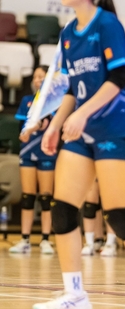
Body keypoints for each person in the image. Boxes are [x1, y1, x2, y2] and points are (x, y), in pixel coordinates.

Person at [35, 0, 125, 309]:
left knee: (118, 214)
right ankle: (75, 293)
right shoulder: (67, 34)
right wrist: (55, 124)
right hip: (81, 130)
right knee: (63, 210)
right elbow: (70, 89)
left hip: (114, 128)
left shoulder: (108, 24)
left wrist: (81, 113)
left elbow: (117, 79)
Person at [10, 66, 56, 255]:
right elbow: (22, 129)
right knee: (27, 197)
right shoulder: (27, 101)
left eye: (42, 77)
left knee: (46, 197)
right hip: (28, 152)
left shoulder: (54, 102)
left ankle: (45, 239)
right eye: (35, 77)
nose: (38, 80)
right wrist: (27, 131)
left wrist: (36, 127)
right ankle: (25, 239)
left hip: (46, 153)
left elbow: (48, 124)